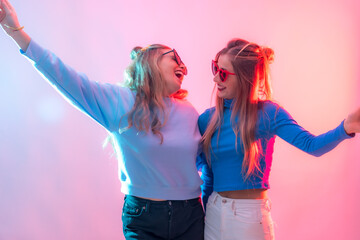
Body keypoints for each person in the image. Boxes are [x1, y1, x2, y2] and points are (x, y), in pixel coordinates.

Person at [0, 0, 205, 239]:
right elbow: (65, 78)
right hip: (145, 217)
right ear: (151, 61)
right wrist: (17, 32)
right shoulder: (119, 101)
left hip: (191, 214)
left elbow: (204, 162)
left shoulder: (190, 111)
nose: (183, 66)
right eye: (175, 58)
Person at [198, 38, 360, 240]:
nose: (215, 79)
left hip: (249, 217)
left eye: (223, 73)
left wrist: (345, 128)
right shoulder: (207, 119)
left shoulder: (268, 113)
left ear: (244, 77)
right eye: (215, 68)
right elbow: (206, 173)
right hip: (213, 213)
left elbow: (312, 145)